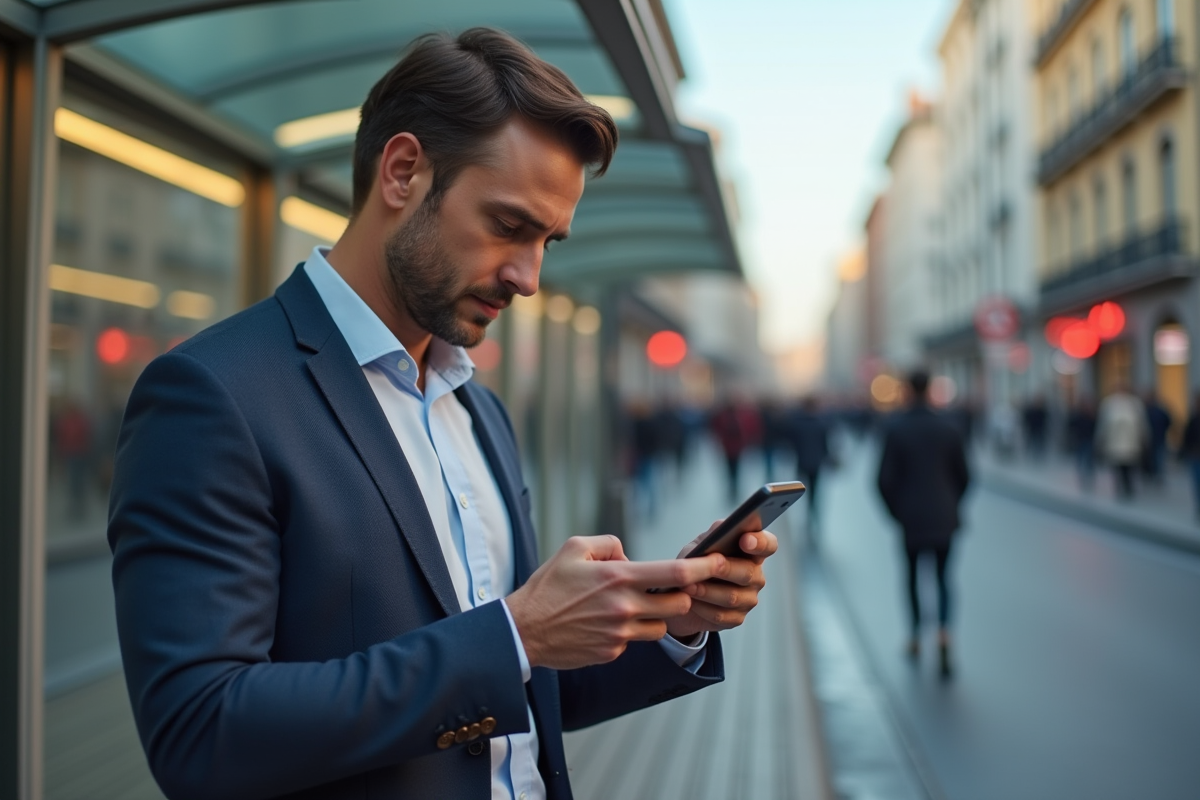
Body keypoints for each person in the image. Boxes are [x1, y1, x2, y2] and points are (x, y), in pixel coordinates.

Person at [107, 30, 778, 800]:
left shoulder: (478, 409)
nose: (528, 277)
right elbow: (200, 733)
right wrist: (516, 633)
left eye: (549, 242)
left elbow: (518, 688)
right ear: (403, 172)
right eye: (509, 225)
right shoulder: (213, 395)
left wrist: (675, 624)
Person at [877, 370, 970, 678]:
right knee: (944, 578)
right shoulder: (949, 426)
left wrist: (897, 513)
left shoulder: (896, 428)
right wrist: (953, 504)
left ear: (906, 390)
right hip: (944, 517)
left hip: (911, 519)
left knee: (912, 577)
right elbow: (966, 476)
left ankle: (915, 635)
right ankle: (944, 634)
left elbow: (883, 481)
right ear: (930, 389)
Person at [788, 397, 830, 541]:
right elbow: (825, 445)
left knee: (803, 488)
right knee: (814, 489)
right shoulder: (821, 423)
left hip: (802, 462)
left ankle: (809, 511)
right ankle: (813, 511)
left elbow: (793, 444)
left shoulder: (797, 424)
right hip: (816, 463)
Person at [1095, 384, 1148, 500]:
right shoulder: (1109, 403)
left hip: (1131, 443)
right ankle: (1120, 487)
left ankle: (1128, 487)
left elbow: (1142, 423)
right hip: (1114, 444)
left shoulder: (1134, 403)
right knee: (1117, 467)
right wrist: (1100, 440)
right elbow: (1103, 424)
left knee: (1129, 467)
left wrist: (1144, 438)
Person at [709, 396, 762, 503]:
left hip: (737, 447)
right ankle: (732, 489)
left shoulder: (739, 415)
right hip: (729, 447)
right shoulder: (724, 416)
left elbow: (750, 428)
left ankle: (734, 489)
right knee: (731, 470)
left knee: (735, 470)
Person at [1067, 398, 1098, 491]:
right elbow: (1071, 424)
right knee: (1080, 456)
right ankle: (1081, 472)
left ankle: (1089, 473)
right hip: (1080, 439)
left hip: (1088, 440)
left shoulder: (1092, 416)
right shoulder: (1078, 416)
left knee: (1089, 457)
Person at [1142, 392, 1172, 483]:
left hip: (1157, 438)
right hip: (1152, 439)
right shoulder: (1146, 410)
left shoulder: (1157, 411)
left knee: (1158, 458)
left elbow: (1168, 421)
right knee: (1154, 458)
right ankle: (1154, 474)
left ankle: (1157, 475)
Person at [1178, 392, 1200, 518]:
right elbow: (1186, 437)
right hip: (1195, 456)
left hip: (1195, 455)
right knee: (1197, 483)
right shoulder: (1193, 419)